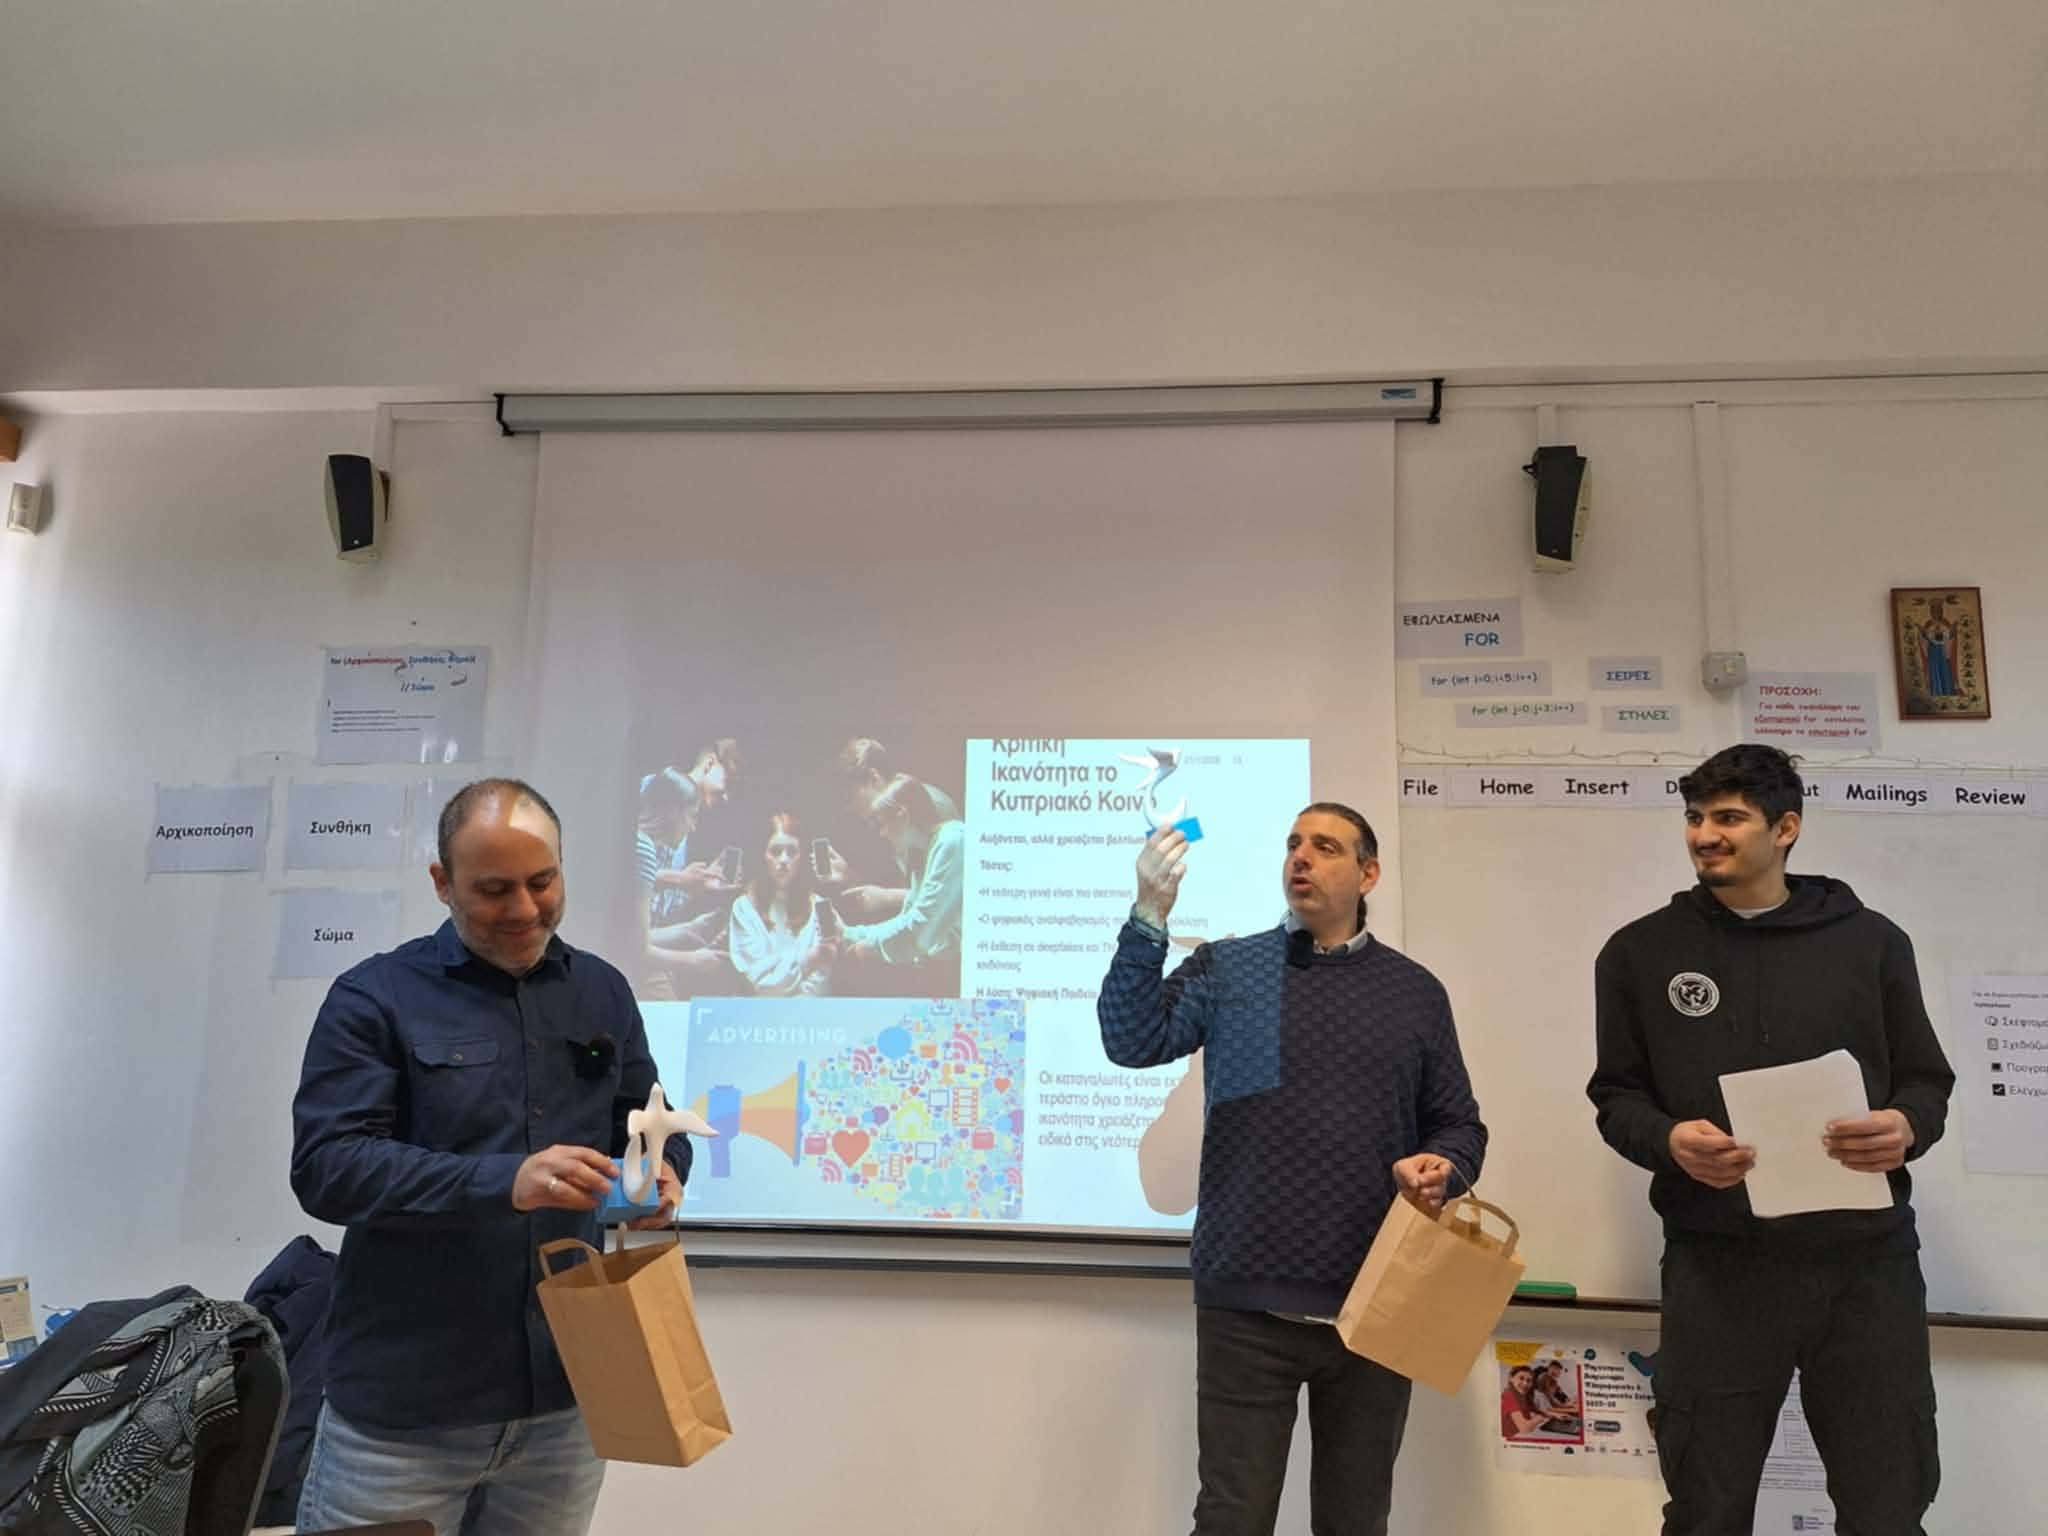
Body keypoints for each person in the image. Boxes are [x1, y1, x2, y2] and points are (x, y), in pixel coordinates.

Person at [291, 778, 691, 1536]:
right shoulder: (373, 997)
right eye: (494, 889)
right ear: (441, 882)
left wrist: (662, 1173)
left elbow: (643, 1121)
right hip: (402, 1417)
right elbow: (328, 1168)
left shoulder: (602, 991)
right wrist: (505, 1180)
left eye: (543, 882)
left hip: (566, 1404)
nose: (525, 909)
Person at [1587, 744, 1954, 1536]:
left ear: (1786, 829)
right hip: (1718, 1266)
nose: (1704, 835)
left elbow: (1927, 1085)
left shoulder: (1873, 943)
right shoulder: (1638, 953)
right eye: (1695, 817)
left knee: (1887, 1506)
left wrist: (1905, 1126)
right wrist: (1669, 1138)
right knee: (1706, 1509)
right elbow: (1616, 1099)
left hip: (1865, 1268)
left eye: (1728, 817)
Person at [1098, 802, 1488, 1536]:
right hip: (1246, 1303)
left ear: (1369, 874)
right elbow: (1131, 1038)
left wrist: (1445, 1166)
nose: (1301, 857)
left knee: (1355, 1520)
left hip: (1376, 1303)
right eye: (1293, 843)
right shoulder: (1231, 968)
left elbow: (1459, 1124)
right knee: (1232, 1520)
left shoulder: (1414, 993)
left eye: (1327, 847)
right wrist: (1149, 915)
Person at [839, 773, 965, 983]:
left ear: (902, 815)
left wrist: (871, 948)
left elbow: (921, 929)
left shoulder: (952, 840)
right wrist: (848, 933)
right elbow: (907, 919)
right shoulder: (923, 851)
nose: (882, 833)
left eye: (883, 824)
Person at [728, 811, 841, 996]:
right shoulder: (743, 908)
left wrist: (781, 981)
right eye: (775, 851)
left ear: (802, 856)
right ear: (763, 855)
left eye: (792, 852)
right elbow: (756, 982)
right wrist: (808, 960)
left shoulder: (820, 908)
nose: (783, 860)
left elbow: (820, 981)